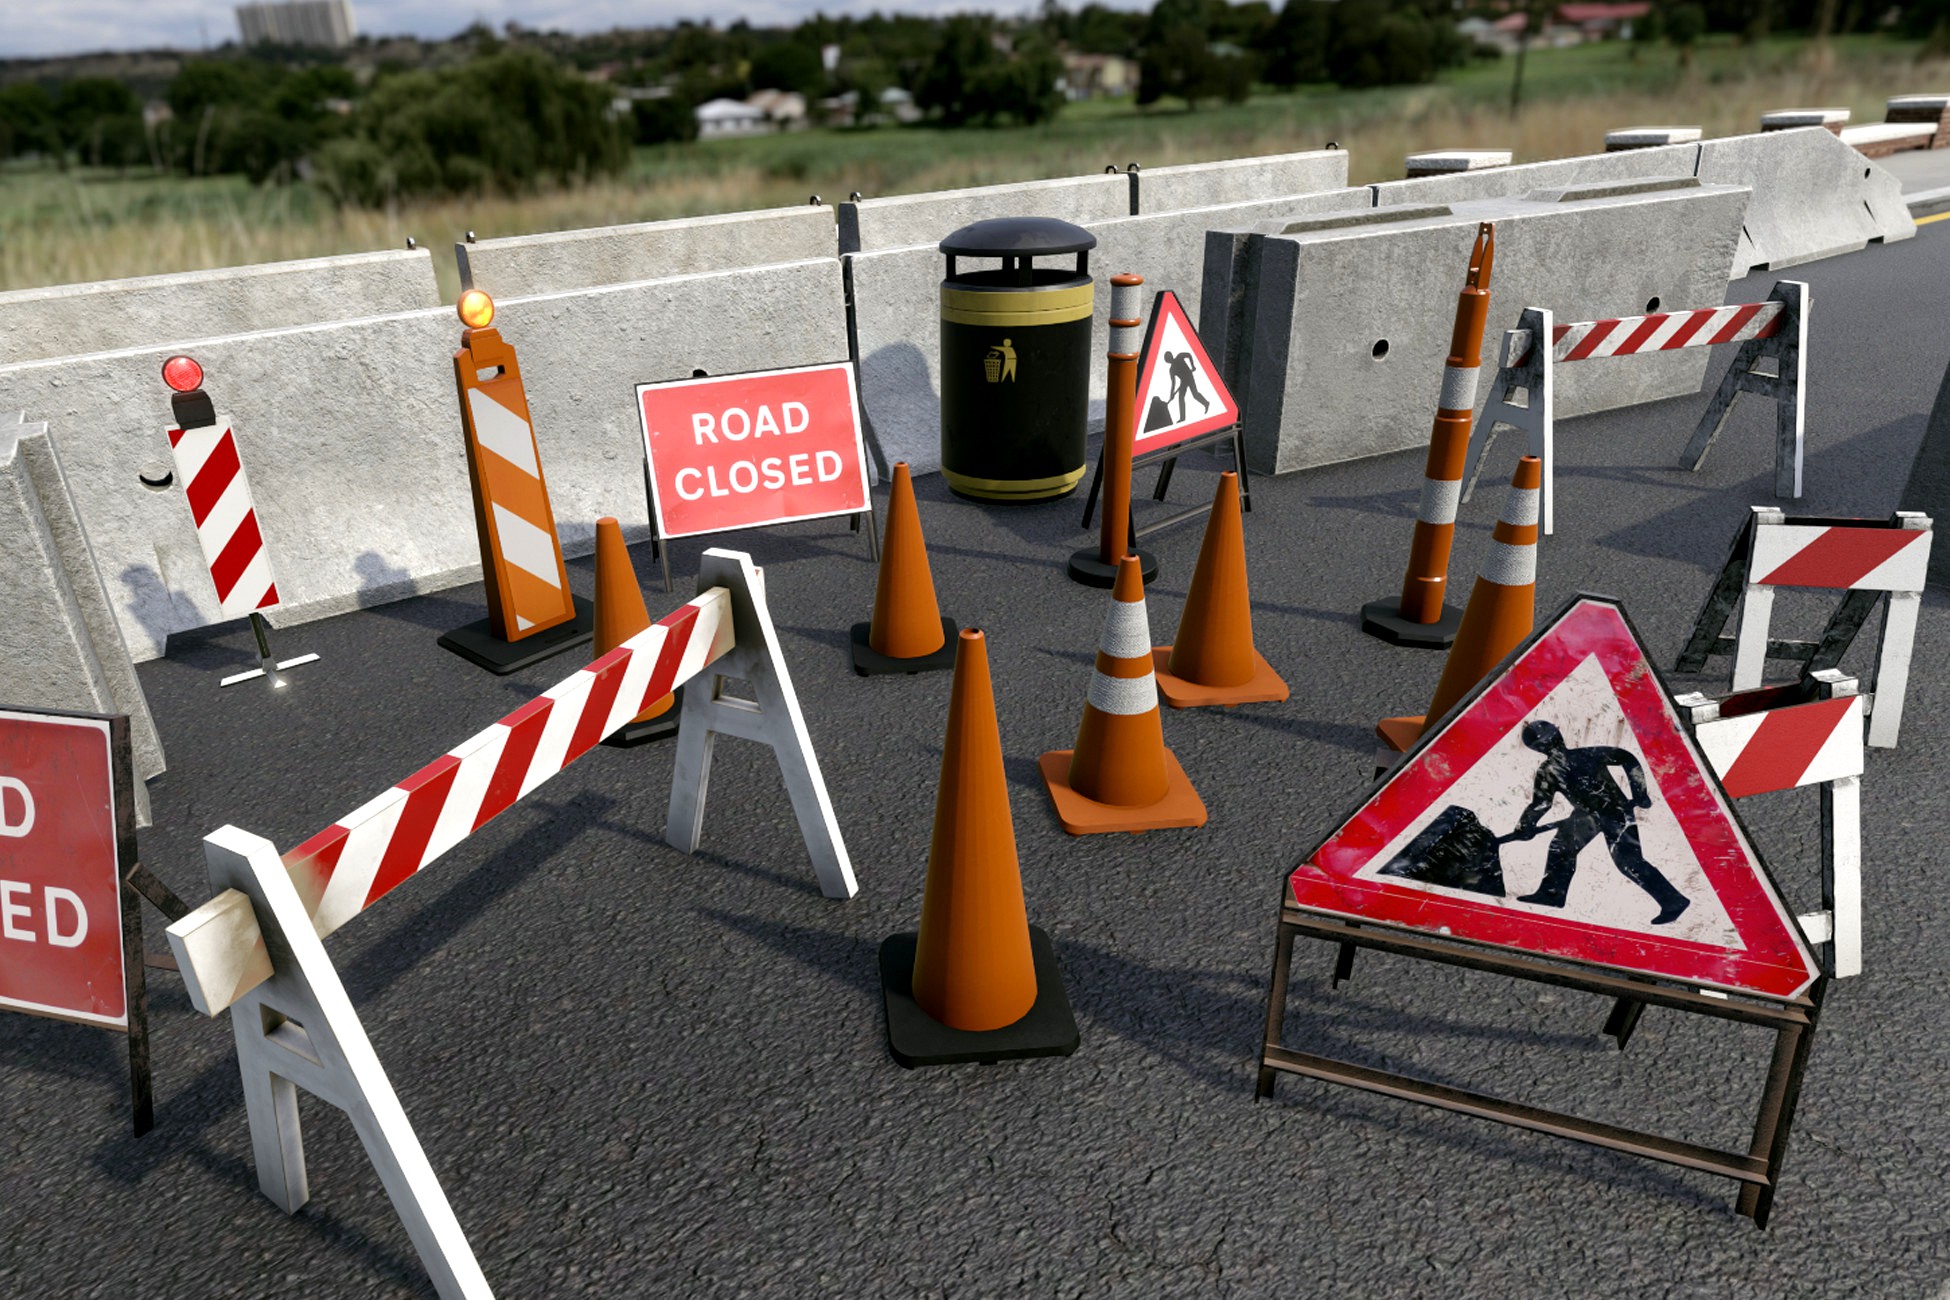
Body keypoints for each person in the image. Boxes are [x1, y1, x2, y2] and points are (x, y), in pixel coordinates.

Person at [1508, 720, 1690, 925]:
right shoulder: (1559, 765)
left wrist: (1639, 792)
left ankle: (1673, 901)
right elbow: (1541, 803)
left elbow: (1627, 758)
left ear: (1537, 748)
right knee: (1561, 847)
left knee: (1629, 862)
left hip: (1615, 811)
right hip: (1586, 816)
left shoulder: (1568, 761)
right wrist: (1525, 826)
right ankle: (1551, 895)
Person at [1164, 350, 1209, 422]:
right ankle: (1182, 418)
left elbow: (1189, 355)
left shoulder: (1179, 356)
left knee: (1195, 394)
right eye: (1167, 360)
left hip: (1189, 377)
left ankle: (1206, 403)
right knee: (1181, 397)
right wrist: (1171, 394)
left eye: (1168, 358)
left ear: (1171, 356)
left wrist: (1192, 366)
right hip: (1183, 382)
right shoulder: (1172, 369)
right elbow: (1173, 383)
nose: (1169, 360)